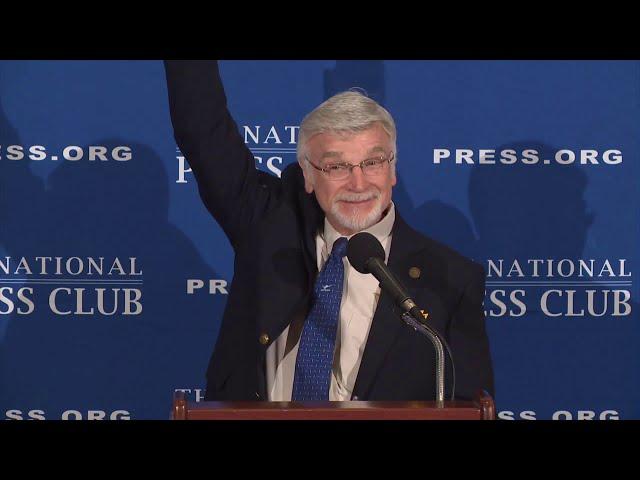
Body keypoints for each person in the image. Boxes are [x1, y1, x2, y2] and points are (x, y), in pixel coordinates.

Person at [163, 60, 494, 402]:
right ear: (307, 174)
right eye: (336, 166)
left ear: (393, 169)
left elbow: (470, 403)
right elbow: (203, 131)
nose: (358, 183)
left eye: (373, 162)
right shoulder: (268, 225)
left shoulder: (449, 278)